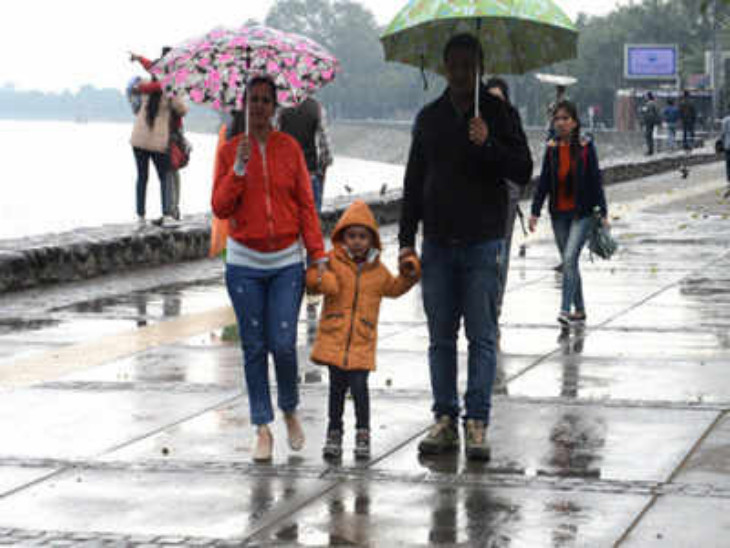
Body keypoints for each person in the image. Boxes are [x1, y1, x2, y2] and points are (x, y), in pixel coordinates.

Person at [398, 33, 533, 460]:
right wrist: (405, 242)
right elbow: (414, 181)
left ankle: (477, 422)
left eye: (468, 64)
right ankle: (444, 420)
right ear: (444, 67)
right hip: (437, 244)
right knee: (440, 338)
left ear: (479, 66)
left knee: (482, 335)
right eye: (453, 64)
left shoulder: (500, 114)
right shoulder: (429, 118)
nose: (460, 72)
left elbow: (523, 169)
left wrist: (488, 143)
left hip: (483, 243)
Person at [212, 75, 327, 463]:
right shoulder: (230, 151)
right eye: (253, 99)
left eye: (265, 100)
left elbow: (306, 205)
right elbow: (220, 207)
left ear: (275, 106)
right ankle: (261, 426)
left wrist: (317, 254)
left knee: (282, 342)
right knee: (254, 346)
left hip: (285, 263)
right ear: (243, 105)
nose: (259, 106)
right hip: (244, 262)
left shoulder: (289, 148)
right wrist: (238, 169)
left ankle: (290, 409)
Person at [306, 200, 421, 461]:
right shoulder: (332, 262)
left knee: (360, 390)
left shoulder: (377, 271)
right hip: (335, 340)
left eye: (362, 236)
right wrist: (325, 280)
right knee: (336, 390)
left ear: (371, 239)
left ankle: (363, 432)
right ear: (343, 237)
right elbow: (312, 279)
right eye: (352, 236)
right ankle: (334, 432)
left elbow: (394, 287)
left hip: (361, 342)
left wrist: (410, 273)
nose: (357, 242)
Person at [529, 100, 609, 328]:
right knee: (570, 261)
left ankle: (565, 309)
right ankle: (580, 309)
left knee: (569, 259)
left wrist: (603, 212)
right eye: (557, 119)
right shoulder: (552, 148)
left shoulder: (586, 146)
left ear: (575, 122)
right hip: (558, 215)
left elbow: (595, 180)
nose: (561, 123)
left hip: (581, 214)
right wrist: (535, 211)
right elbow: (544, 181)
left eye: (566, 118)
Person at [484, 77, 530, 329]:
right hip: (479, 200)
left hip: (506, 198)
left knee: (501, 253)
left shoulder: (512, 126)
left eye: (498, 100)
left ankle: (495, 307)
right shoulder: (474, 124)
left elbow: (524, 166)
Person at [131, 49, 187, 221]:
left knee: (142, 177)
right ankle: (167, 214)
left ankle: (140, 215)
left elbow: (146, 73)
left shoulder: (145, 85)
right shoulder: (170, 88)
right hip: (157, 142)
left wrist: (139, 57)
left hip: (138, 139)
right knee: (164, 177)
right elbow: (182, 110)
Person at [278, 96, 333, 215]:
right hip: (310, 172)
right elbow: (325, 148)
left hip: (286, 175)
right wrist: (323, 167)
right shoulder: (316, 108)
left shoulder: (281, 109)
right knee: (312, 220)